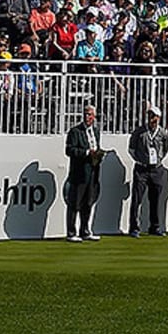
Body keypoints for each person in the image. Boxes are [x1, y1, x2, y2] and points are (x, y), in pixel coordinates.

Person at [128, 106, 168, 237]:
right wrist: (141, 160)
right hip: (141, 169)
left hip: (156, 169)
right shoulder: (139, 132)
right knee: (137, 199)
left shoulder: (163, 133)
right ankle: (134, 228)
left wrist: (158, 159)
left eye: (155, 116)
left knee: (155, 199)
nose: (152, 119)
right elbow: (131, 149)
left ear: (159, 118)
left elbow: (166, 148)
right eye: (150, 116)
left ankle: (155, 226)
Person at [63, 104, 104, 243]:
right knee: (75, 203)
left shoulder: (96, 131)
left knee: (88, 202)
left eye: (90, 114)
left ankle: (85, 230)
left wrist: (98, 155)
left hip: (93, 171)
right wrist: (87, 153)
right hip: (79, 172)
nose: (87, 117)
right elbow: (69, 150)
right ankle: (71, 232)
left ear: (94, 117)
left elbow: (96, 147)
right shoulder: (75, 131)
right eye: (86, 114)